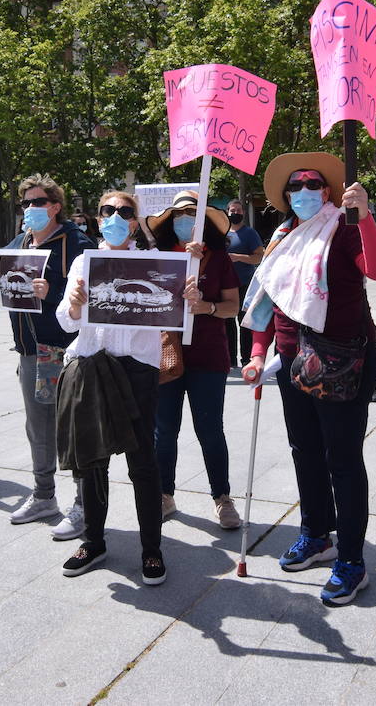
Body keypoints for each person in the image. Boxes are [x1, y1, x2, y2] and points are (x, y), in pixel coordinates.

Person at [241, 152, 376, 607]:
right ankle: (316, 534)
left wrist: (364, 217)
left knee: (342, 461)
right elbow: (271, 296)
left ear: (328, 191)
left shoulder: (344, 228)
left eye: (313, 184)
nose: (304, 191)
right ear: (285, 198)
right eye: (295, 186)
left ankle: (351, 560)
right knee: (304, 452)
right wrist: (256, 352)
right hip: (292, 361)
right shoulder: (283, 234)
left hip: (342, 360)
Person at [0, 175, 92, 539]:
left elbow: (90, 293)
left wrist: (53, 289)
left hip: (62, 353)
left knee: (72, 432)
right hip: (29, 352)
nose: (29, 209)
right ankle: (44, 496)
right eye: (25, 202)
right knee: (38, 429)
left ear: (55, 206)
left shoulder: (75, 243)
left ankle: (84, 505)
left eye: (37, 202)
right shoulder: (22, 241)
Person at [57, 190, 167, 584]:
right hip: (91, 368)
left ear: (136, 221)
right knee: (92, 462)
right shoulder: (84, 262)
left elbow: (173, 317)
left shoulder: (157, 265)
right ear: (98, 218)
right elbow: (66, 322)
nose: (116, 216)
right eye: (108, 210)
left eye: (125, 211)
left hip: (137, 372)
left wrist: (187, 298)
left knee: (142, 463)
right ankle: (93, 541)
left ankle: (151, 548)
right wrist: (72, 304)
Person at [145, 191, 241, 529]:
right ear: (171, 222)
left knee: (210, 429)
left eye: (192, 214)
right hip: (166, 355)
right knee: (164, 429)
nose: (185, 221)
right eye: (179, 215)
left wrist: (207, 307)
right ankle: (164, 495)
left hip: (209, 356)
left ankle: (222, 497)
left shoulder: (219, 259)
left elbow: (233, 306)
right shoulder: (156, 258)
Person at [224, 198, 263, 369]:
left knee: (244, 322)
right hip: (225, 285)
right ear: (227, 212)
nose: (235, 213)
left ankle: (246, 359)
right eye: (232, 210)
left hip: (245, 283)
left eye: (238, 211)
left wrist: (238, 257)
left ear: (244, 213)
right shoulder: (222, 232)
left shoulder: (250, 233)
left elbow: (259, 257)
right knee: (227, 322)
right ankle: (230, 359)